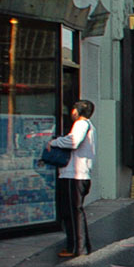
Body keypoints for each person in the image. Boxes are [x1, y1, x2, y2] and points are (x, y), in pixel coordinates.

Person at [52, 100, 96, 258]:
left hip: (75, 175)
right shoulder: (88, 125)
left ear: (78, 111)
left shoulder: (81, 124)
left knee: (73, 212)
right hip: (78, 175)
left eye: (73, 109)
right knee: (72, 212)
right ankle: (79, 246)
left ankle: (77, 247)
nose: (71, 112)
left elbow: (73, 141)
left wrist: (54, 142)